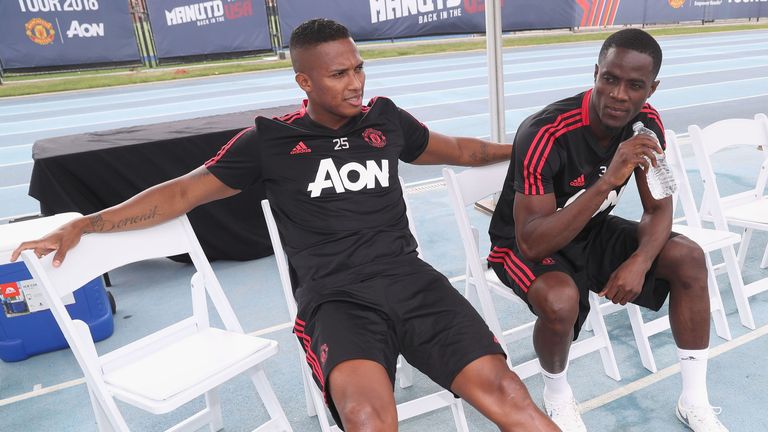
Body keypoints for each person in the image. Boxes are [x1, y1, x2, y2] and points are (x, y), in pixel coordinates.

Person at [12, 19, 558, 432]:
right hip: (338, 300)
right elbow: (182, 191)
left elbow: (463, 150)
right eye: (338, 74)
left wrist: (533, 148)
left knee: (509, 393)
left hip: (410, 282)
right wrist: (87, 224)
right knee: (368, 419)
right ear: (304, 80)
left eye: (359, 68)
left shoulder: (386, 121)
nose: (355, 83)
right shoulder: (269, 142)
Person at [487, 28, 727, 432]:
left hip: (589, 230)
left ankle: (694, 400)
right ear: (596, 72)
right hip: (522, 240)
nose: (618, 95)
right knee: (561, 300)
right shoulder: (544, 131)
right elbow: (532, 240)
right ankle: (558, 395)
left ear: (651, 89)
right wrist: (606, 182)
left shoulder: (645, 125)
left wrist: (640, 260)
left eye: (634, 85)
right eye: (610, 79)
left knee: (688, 257)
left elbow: (658, 207)